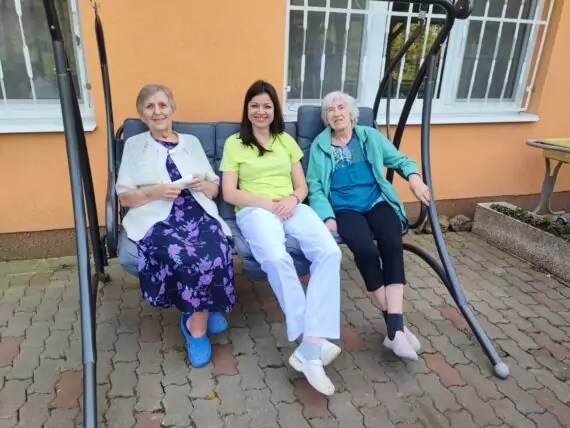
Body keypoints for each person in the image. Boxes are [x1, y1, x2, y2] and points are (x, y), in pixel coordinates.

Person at [220, 80, 342, 396]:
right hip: (255, 210)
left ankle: (309, 345)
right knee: (276, 257)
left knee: (330, 252)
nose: (261, 111)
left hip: (291, 207)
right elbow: (229, 192)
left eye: (267, 106)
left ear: (275, 110)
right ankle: (312, 345)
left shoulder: (285, 141)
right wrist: (266, 204)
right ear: (247, 109)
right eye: (255, 106)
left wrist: (292, 199)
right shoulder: (235, 143)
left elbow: (302, 186)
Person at [115, 84, 235, 368]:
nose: (157, 112)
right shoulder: (134, 145)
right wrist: (153, 192)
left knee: (217, 248)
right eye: (149, 106)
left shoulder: (191, 142)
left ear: (172, 109)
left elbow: (214, 189)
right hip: (157, 217)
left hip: (197, 211)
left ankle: (202, 309)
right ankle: (197, 329)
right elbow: (124, 197)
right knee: (183, 255)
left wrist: (203, 185)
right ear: (141, 115)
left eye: (162, 105)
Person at [306, 91, 431, 361]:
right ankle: (397, 329)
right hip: (344, 208)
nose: (336, 113)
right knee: (364, 250)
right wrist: (327, 217)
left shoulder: (369, 137)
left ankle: (394, 330)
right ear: (326, 117)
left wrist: (414, 179)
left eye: (341, 107)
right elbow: (315, 187)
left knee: (392, 243)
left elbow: (401, 160)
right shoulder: (320, 146)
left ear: (351, 113)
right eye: (330, 110)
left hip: (376, 201)